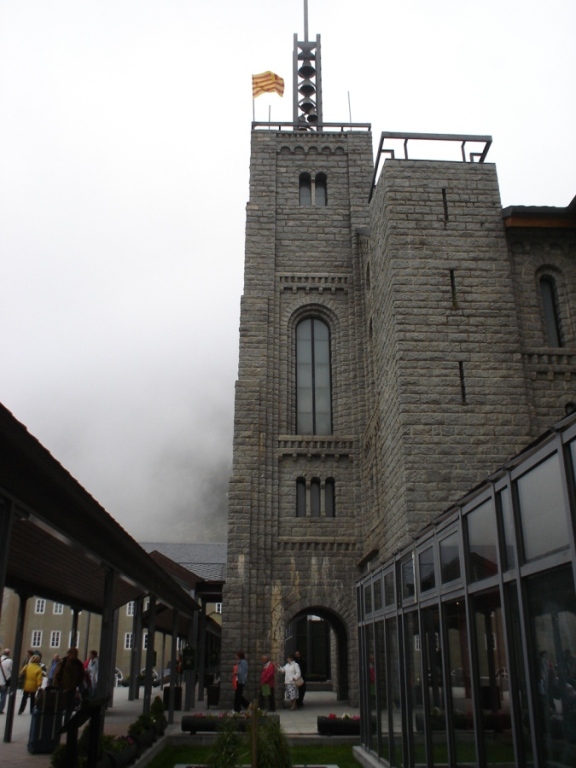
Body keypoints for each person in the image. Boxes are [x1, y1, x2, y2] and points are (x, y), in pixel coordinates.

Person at [54, 647, 86, 720]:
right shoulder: (63, 662)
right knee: (61, 706)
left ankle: (66, 721)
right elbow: (57, 674)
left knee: (70, 707)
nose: (75, 656)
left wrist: (76, 684)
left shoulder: (78, 663)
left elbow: (82, 675)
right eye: (74, 654)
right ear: (69, 654)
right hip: (62, 688)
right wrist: (56, 685)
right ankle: (58, 722)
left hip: (72, 689)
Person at [0, 649, 13, 714]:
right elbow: (11, 670)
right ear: (8, 654)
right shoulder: (10, 661)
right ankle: (0, 709)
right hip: (4, 681)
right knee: (3, 695)